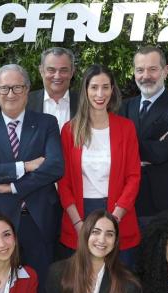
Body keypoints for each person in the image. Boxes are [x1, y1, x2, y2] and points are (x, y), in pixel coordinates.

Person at [0, 63, 64, 293]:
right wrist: (25, 166)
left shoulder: (46, 123)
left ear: (27, 90)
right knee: (0, 291)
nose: (10, 94)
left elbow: (55, 167)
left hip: (39, 220)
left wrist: (14, 187)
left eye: (17, 87)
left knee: (43, 292)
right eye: (4, 88)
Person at [58, 64, 141, 267]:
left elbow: (133, 177)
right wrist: (78, 223)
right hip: (80, 215)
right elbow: (63, 182)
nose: (100, 94)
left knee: (118, 282)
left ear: (112, 90)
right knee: (81, 281)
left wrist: (114, 220)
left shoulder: (126, 128)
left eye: (105, 87)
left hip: (117, 213)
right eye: (94, 87)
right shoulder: (69, 130)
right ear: (85, 90)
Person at [119, 46, 168, 228]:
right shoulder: (124, 107)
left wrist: (129, 146)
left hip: (163, 202)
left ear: (165, 71)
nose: (146, 76)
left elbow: (165, 151)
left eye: (152, 69)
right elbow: (116, 149)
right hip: (127, 200)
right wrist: (152, 145)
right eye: (140, 70)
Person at [27, 47, 79, 130]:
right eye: (51, 70)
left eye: (63, 70)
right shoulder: (25, 102)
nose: (57, 76)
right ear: (41, 71)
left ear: (72, 72)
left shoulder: (85, 103)